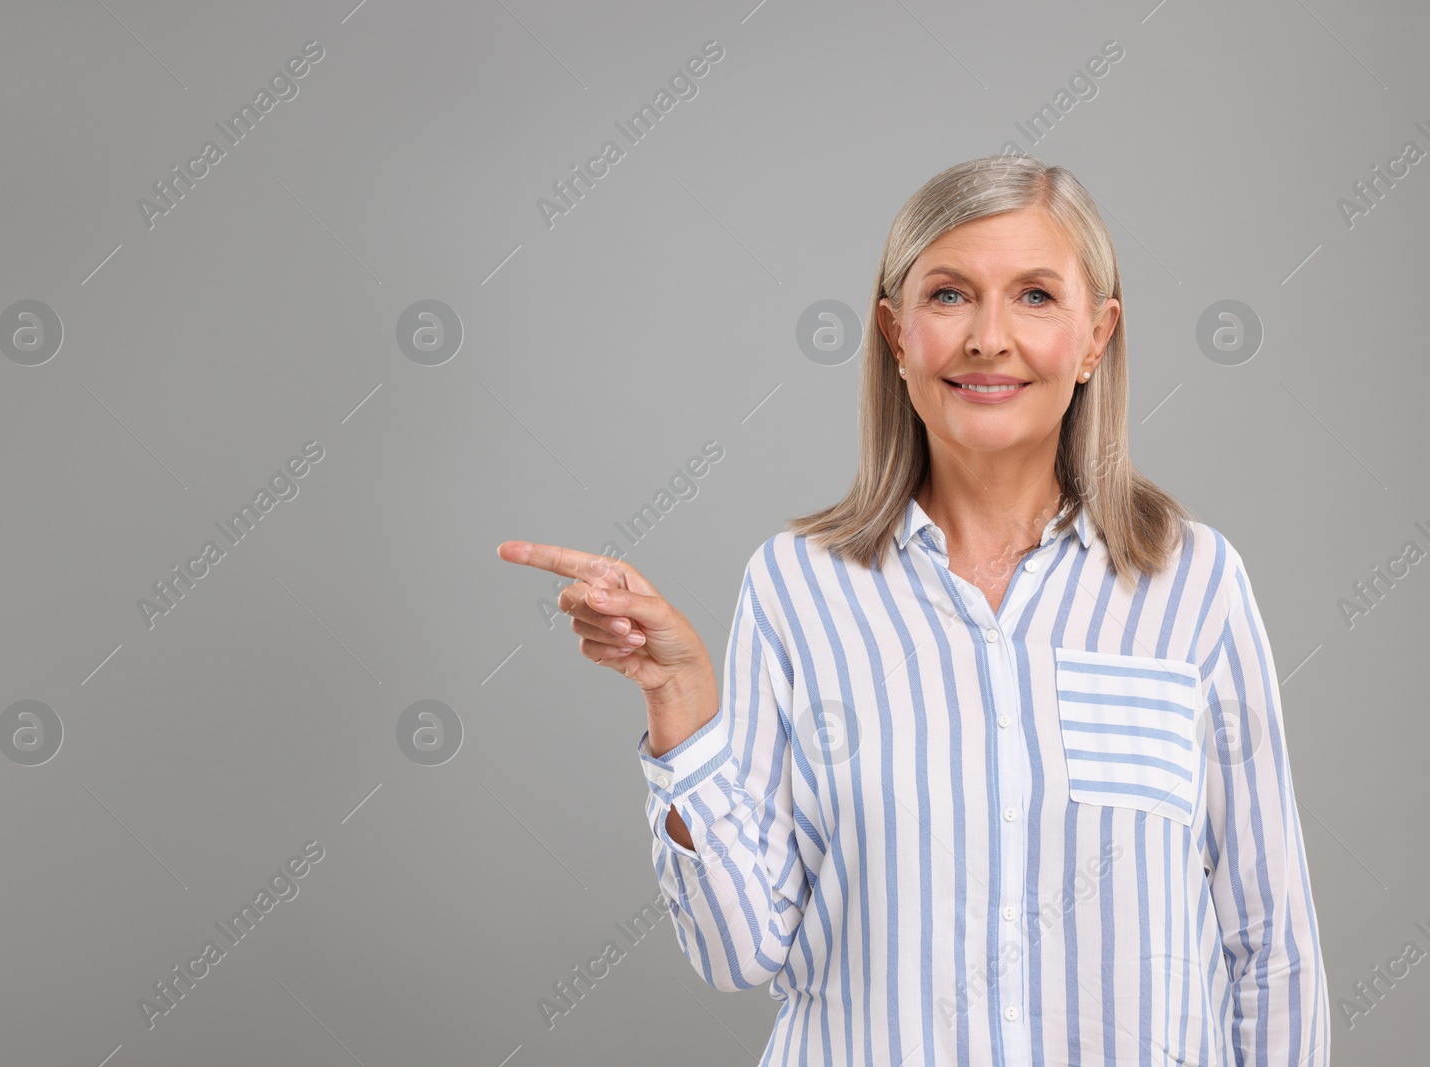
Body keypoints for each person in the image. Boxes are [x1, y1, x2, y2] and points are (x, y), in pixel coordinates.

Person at [497, 154, 1328, 1066]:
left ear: (1097, 337)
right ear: (896, 335)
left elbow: (1270, 946)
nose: (988, 337)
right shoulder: (796, 587)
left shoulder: (1195, 583)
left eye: (1037, 296)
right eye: (949, 295)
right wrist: (681, 703)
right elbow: (742, 950)